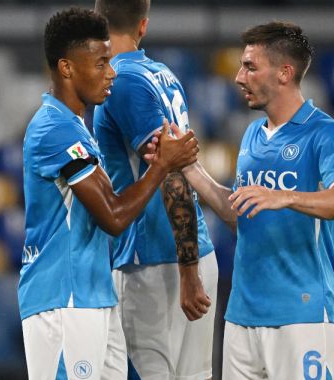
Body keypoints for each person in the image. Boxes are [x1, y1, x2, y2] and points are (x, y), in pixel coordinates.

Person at [172, 21, 334, 379]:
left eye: (250, 67)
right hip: (242, 315)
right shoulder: (251, 134)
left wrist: (284, 197)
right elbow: (240, 213)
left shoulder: (326, 133)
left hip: (301, 313)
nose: (239, 77)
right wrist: (190, 168)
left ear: (284, 73)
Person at [19, 7, 198, 380]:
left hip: (95, 295)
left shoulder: (76, 127)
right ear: (67, 68)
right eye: (101, 63)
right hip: (62, 301)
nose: (111, 72)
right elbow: (113, 217)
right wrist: (162, 165)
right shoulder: (53, 130)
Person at [92, 1, 217, 379]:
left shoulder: (121, 82)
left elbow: (169, 170)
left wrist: (187, 271)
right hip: (194, 250)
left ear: (96, 21)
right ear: (143, 25)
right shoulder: (163, 74)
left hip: (154, 259)